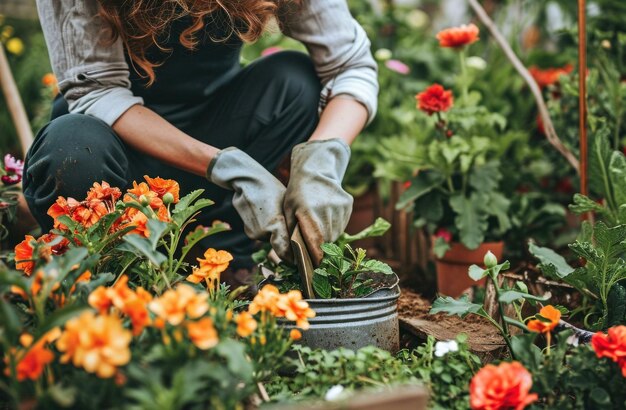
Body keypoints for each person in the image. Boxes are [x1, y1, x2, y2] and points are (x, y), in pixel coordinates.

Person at [24, 0, 378, 277]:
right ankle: (108, 275)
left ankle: (226, 265)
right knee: (72, 148)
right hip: (113, 152)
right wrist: (226, 166)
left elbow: (351, 66)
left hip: (216, 126)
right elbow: (97, 93)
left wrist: (323, 159)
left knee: (295, 82)